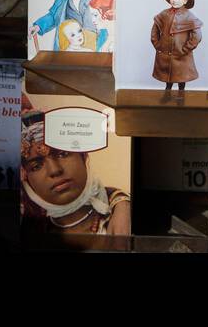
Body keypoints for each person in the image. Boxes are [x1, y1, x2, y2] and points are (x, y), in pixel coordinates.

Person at [20, 101, 131, 236]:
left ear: (83, 157)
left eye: (63, 154)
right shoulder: (27, 234)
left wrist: (122, 202)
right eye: (36, 166)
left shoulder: (127, 217)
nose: (55, 170)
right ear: (26, 179)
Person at [151, 0, 202, 92]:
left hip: (181, 56)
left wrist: (185, 49)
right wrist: (157, 44)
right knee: (167, 78)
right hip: (165, 55)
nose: (175, 0)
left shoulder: (189, 16)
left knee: (181, 76)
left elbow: (197, 36)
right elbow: (155, 30)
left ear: (185, 0)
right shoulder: (164, 14)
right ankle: (167, 94)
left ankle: (181, 96)